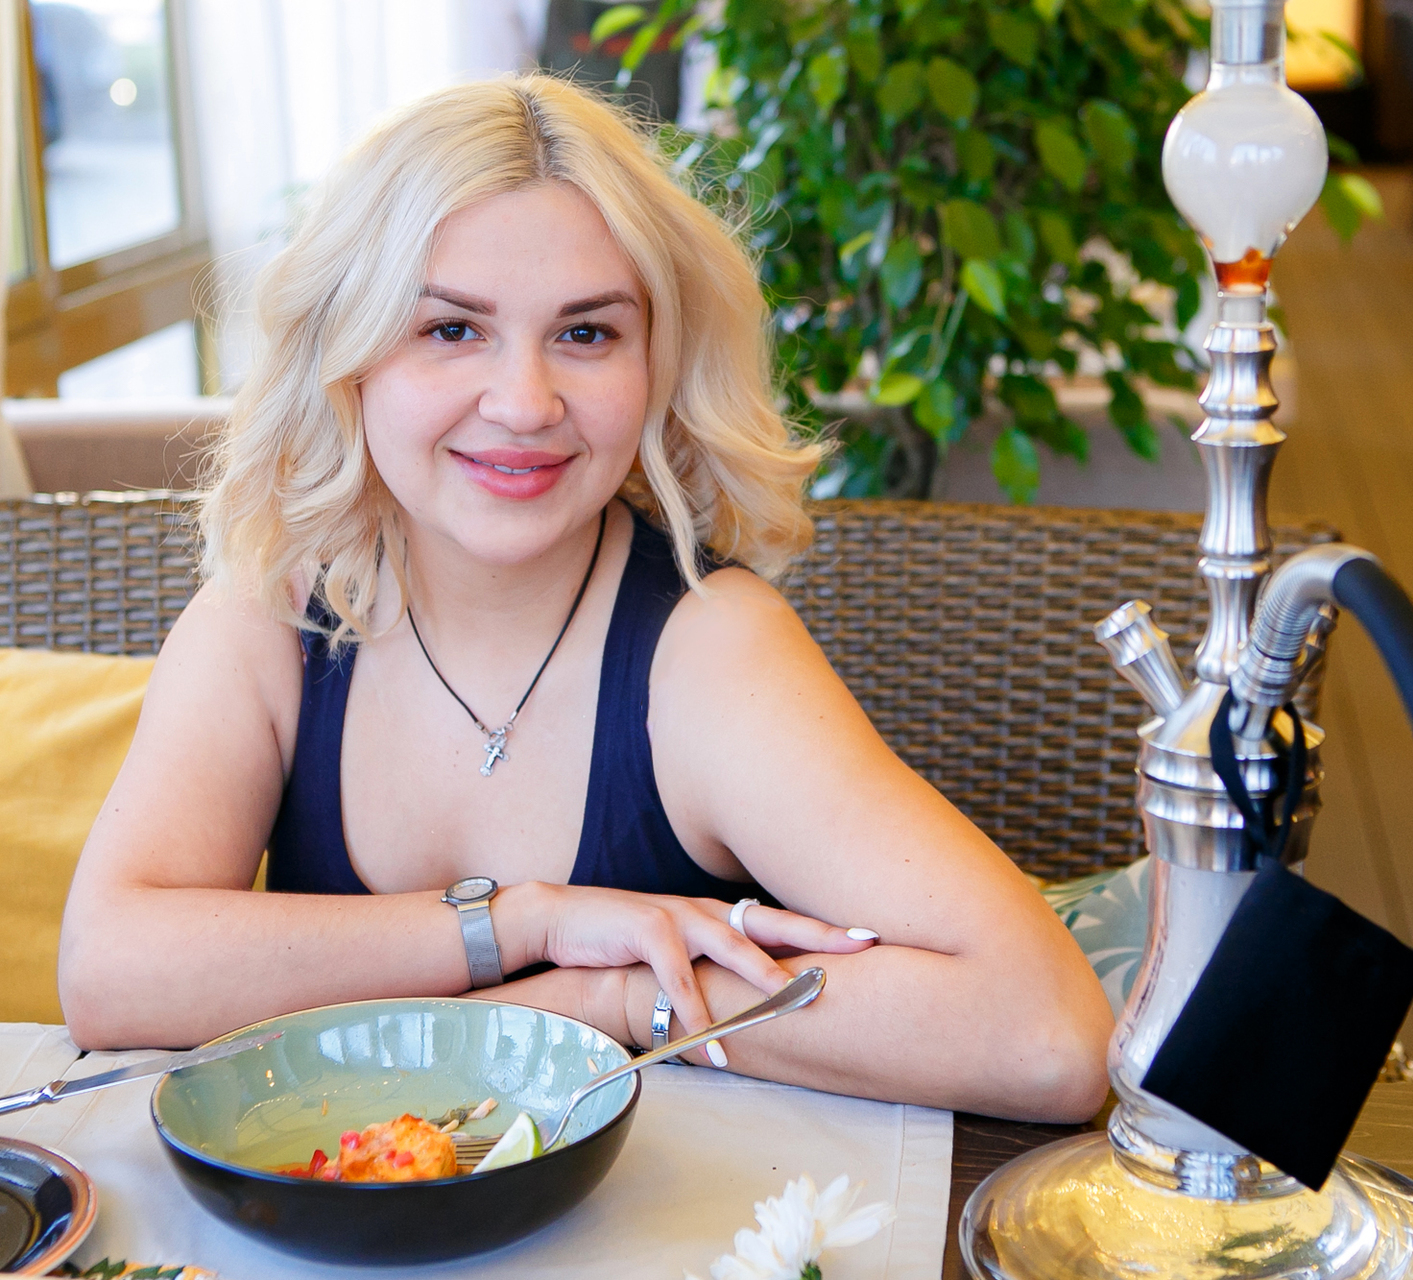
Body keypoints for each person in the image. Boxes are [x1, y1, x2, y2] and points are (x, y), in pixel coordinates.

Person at [59, 74, 1111, 1123]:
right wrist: (524, 924)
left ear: (658, 363)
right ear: (349, 357)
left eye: (587, 333)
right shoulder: (274, 616)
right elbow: (109, 974)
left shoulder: (709, 651)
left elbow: (1049, 1035)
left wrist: (604, 1001)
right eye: (452, 329)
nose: (525, 403)